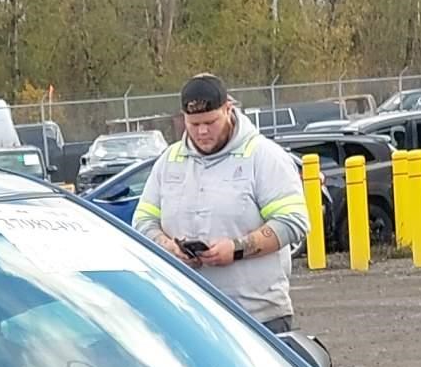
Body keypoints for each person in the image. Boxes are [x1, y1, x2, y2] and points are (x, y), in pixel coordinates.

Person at [133, 74, 312, 333]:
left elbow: (293, 223)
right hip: (189, 316)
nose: (202, 131)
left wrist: (237, 249)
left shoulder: (263, 156)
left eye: (210, 122)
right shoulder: (169, 161)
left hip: (256, 317)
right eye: (194, 124)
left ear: (228, 109)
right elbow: (142, 222)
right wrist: (169, 248)